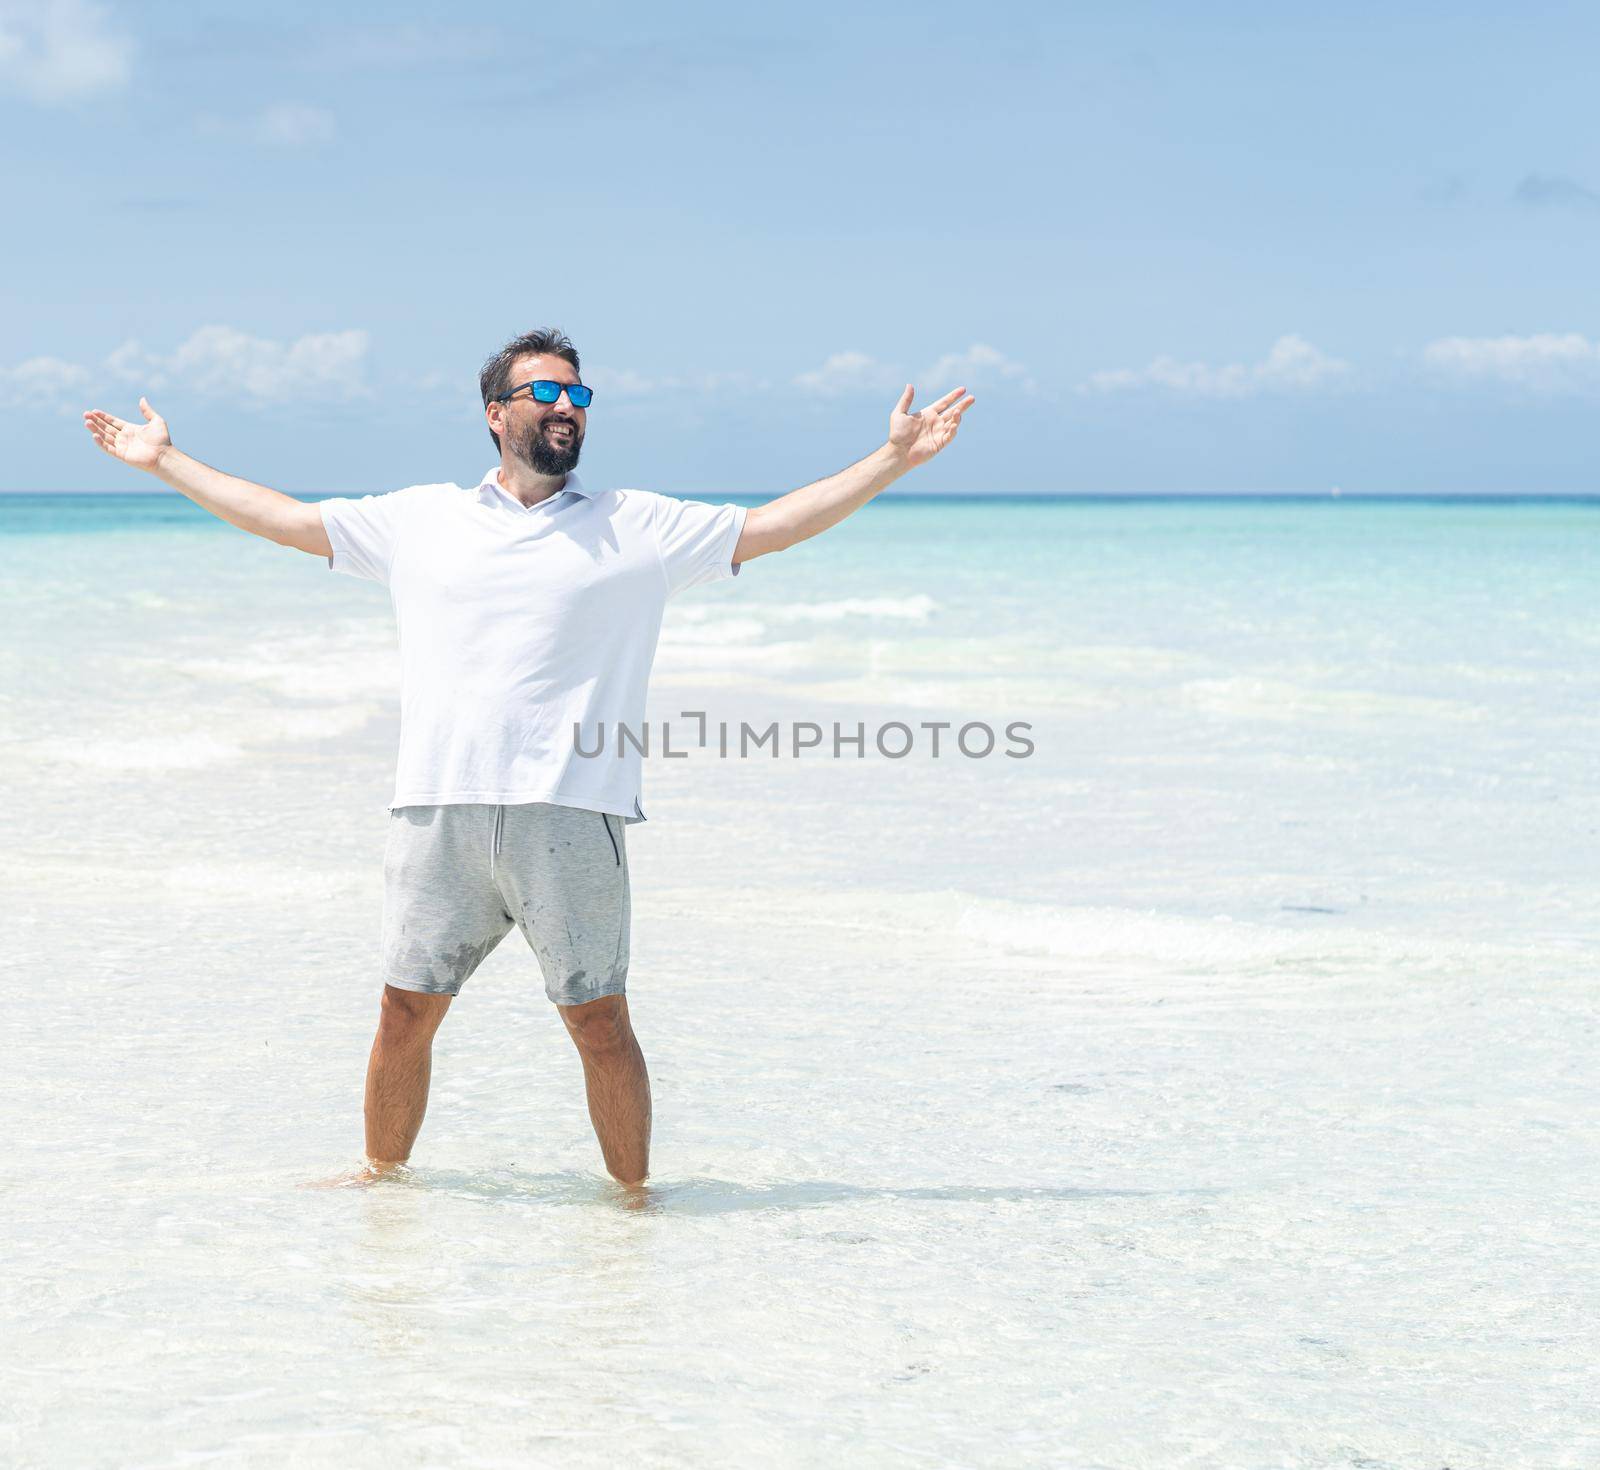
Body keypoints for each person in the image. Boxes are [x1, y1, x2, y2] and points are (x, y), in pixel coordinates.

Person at [82, 328, 976, 1189]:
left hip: (572, 812)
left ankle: (631, 1207)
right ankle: (383, 1185)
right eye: (544, 391)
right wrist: (164, 460)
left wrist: (892, 460)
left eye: (578, 394)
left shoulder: (638, 525)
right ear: (493, 413)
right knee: (404, 1013)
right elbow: (281, 519)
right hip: (439, 806)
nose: (566, 407)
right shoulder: (419, 519)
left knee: (598, 1021)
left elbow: (776, 525)